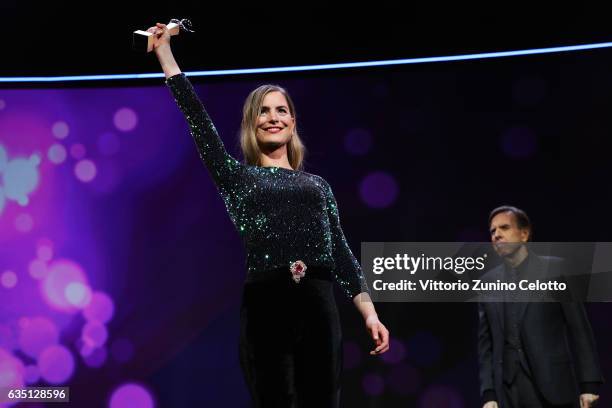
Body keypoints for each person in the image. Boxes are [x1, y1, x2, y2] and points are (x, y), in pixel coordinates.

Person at [146, 22, 390, 407]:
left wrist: (370, 314)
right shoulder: (237, 177)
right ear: (251, 124)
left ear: (293, 122)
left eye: (281, 111)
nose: (273, 117)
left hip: (319, 303)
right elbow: (197, 118)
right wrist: (165, 54)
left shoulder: (319, 185)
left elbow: (340, 251)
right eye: (263, 112)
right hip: (267, 305)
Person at [478, 205, 603, 408]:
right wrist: (489, 393)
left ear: (524, 234)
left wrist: (589, 384)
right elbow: (486, 345)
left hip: (553, 386)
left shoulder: (555, 269)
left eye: (504, 228)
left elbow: (578, 328)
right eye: (492, 231)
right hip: (508, 392)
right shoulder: (487, 283)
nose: (497, 235)